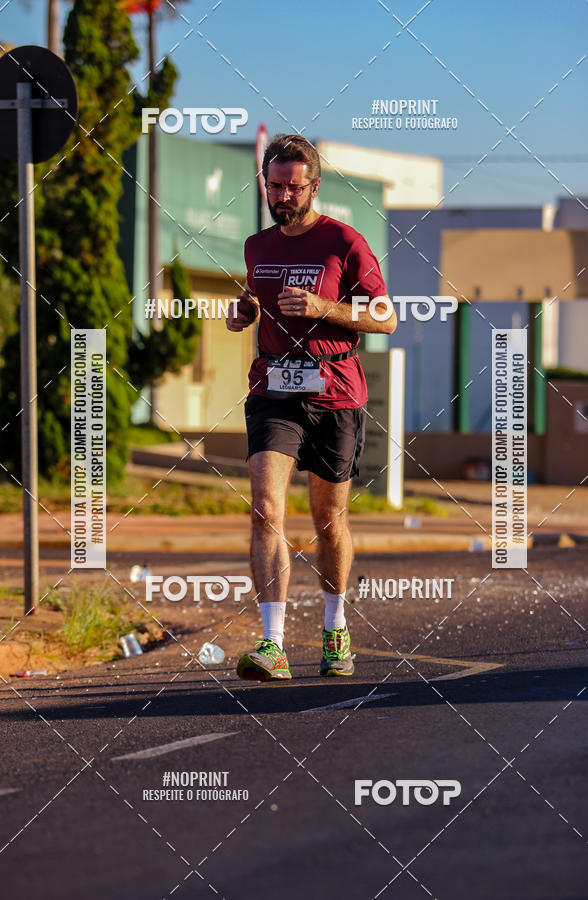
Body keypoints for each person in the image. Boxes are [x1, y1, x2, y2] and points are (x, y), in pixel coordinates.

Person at [226, 134, 396, 681]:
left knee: (327, 520)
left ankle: (335, 627)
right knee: (265, 509)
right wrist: (245, 310)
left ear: (314, 186)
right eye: (274, 186)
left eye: (293, 188)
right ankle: (272, 643)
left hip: (335, 392)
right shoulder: (258, 246)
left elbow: (387, 317)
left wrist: (326, 306)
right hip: (273, 391)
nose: (282, 196)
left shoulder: (344, 242)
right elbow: (258, 297)